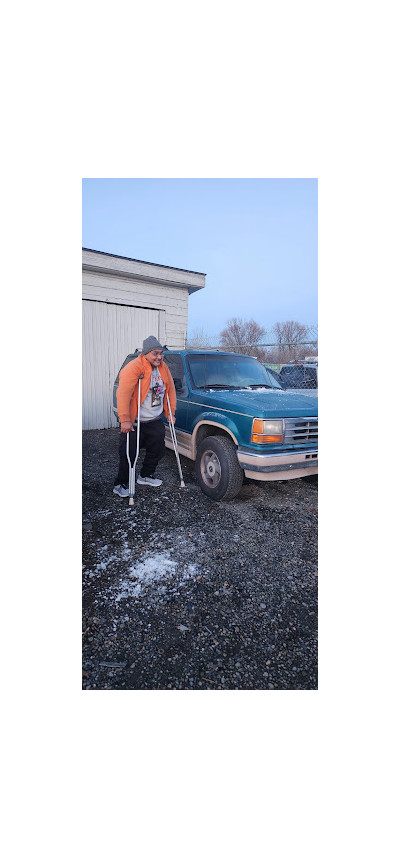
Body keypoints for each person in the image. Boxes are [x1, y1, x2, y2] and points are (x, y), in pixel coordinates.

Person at [113, 336, 176, 496]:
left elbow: (169, 391)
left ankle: (145, 476)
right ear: (146, 353)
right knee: (129, 454)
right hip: (135, 422)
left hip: (154, 420)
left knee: (157, 450)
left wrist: (170, 413)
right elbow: (123, 394)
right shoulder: (133, 367)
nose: (159, 357)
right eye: (155, 354)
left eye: (161, 353)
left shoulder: (163, 368)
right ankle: (121, 484)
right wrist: (125, 419)